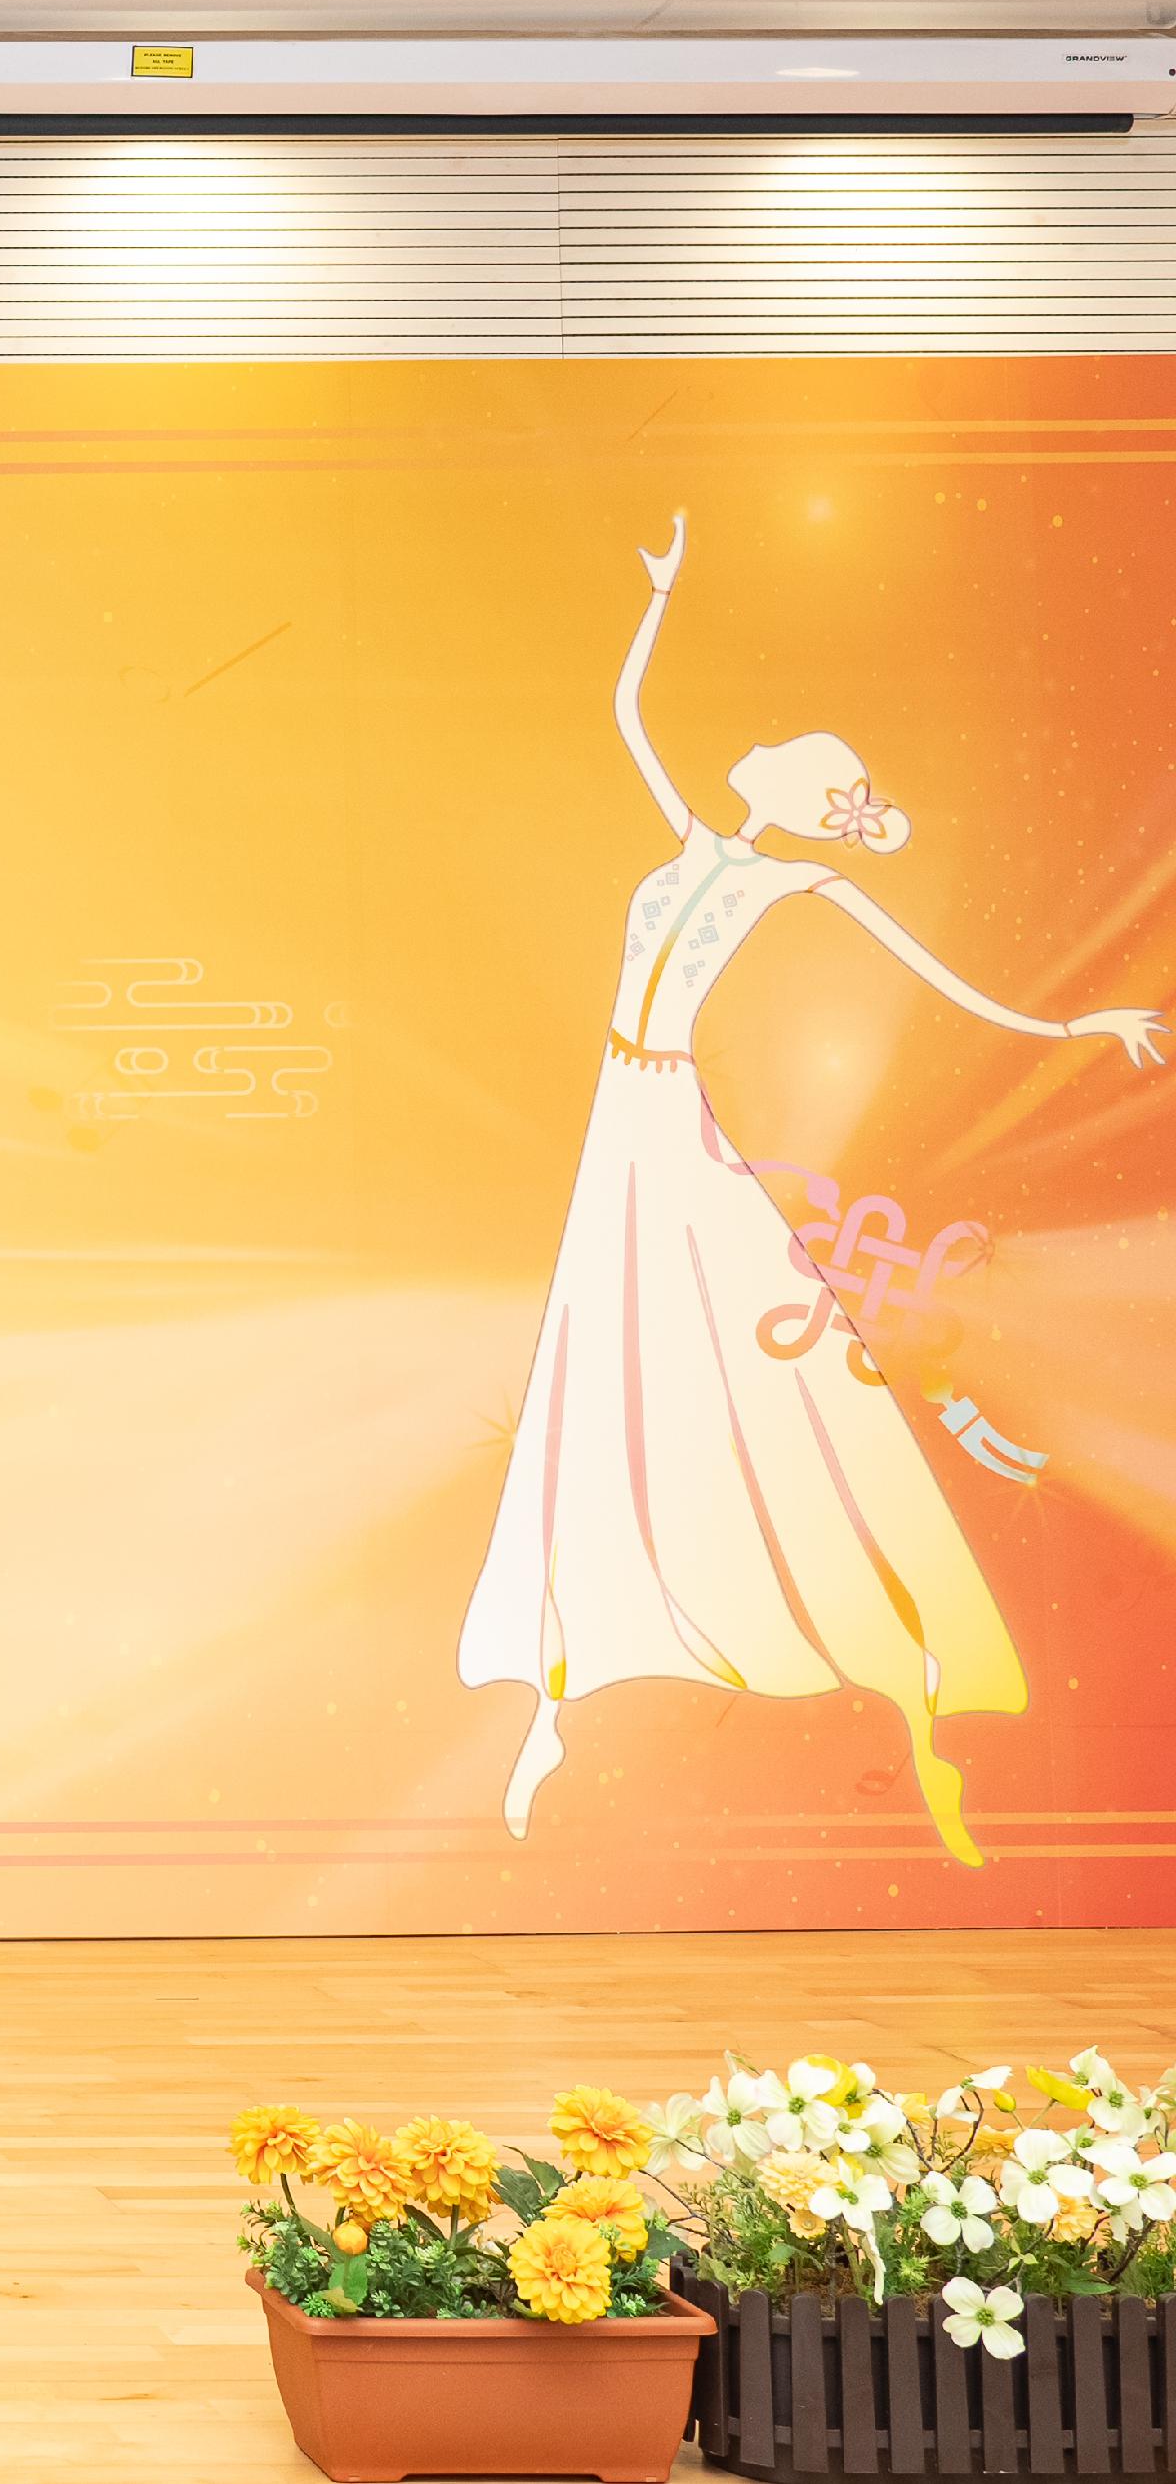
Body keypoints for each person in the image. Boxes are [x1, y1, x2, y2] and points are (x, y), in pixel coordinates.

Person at [459, 514, 1163, 1864]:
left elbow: (948, 979)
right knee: (596, 1354)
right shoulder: (693, 840)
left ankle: (852, 1639)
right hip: (623, 1099)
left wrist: (1073, 1033)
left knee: (727, 1351)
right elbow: (629, 716)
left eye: (784, 776)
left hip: (661, 1102)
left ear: (796, 803)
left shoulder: (803, 879)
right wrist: (660, 595)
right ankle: (566, 1645)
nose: (758, 779)